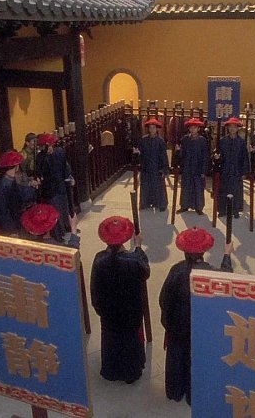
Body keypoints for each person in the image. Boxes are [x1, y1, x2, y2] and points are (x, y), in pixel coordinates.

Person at [159, 227, 233, 405]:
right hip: (202, 329)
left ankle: (175, 391)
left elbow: (164, 300)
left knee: (177, 358)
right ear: (204, 251)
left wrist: (169, 323)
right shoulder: (211, 274)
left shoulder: (176, 270)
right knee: (198, 361)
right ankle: (195, 395)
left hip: (178, 326)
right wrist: (227, 255)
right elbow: (227, 278)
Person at [90, 216, 149, 384]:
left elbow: (94, 288)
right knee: (131, 340)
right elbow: (145, 271)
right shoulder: (133, 260)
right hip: (131, 311)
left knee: (110, 339)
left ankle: (111, 371)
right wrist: (138, 247)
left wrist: (99, 308)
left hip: (108, 312)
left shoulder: (99, 259)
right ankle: (131, 372)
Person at [0, 151, 37, 235]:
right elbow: (3, 210)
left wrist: (32, 188)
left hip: (13, 217)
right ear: (16, 166)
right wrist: (10, 230)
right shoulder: (3, 184)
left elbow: (19, 191)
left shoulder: (7, 179)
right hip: (7, 223)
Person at [36, 133, 74, 237]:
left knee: (61, 209)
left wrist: (68, 177)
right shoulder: (42, 157)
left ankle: (64, 229)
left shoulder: (57, 152)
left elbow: (65, 166)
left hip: (57, 187)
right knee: (57, 210)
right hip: (53, 188)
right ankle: (61, 231)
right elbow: (39, 172)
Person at [213, 116, 249, 218]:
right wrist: (216, 158)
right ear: (228, 128)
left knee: (236, 191)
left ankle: (235, 210)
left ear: (238, 128)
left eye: (234, 127)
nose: (232, 129)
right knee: (223, 190)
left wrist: (244, 172)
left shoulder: (241, 142)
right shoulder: (222, 141)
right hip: (225, 169)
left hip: (237, 170)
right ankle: (222, 210)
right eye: (230, 127)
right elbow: (218, 155)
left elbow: (245, 158)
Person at [133, 117, 169, 212]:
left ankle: (161, 204)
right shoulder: (143, 140)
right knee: (146, 186)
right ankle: (145, 203)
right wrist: (137, 154)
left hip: (157, 167)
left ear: (157, 129)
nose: (152, 129)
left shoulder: (160, 141)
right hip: (146, 167)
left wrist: (164, 168)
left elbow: (164, 156)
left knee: (158, 186)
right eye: (150, 127)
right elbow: (140, 153)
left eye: (153, 127)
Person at [176, 118, 209, 215]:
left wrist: (204, 170)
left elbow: (205, 156)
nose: (193, 129)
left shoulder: (202, 140)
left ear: (198, 129)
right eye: (191, 127)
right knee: (186, 187)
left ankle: (199, 207)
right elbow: (181, 155)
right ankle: (184, 206)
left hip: (198, 168)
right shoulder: (185, 139)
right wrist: (178, 151)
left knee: (198, 188)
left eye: (195, 127)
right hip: (187, 167)